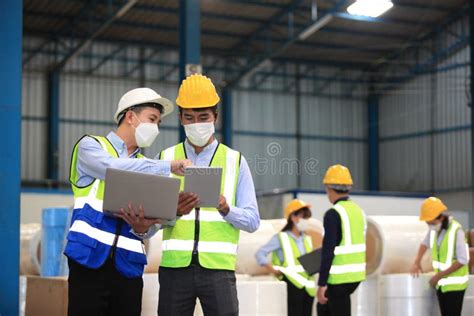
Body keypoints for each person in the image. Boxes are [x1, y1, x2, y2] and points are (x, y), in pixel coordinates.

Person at [64, 87, 197, 316]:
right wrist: (168, 165)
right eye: (152, 119)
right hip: (88, 262)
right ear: (130, 116)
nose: (155, 128)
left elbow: (152, 227)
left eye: (158, 123)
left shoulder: (148, 166)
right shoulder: (91, 147)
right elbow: (112, 168)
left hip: (128, 269)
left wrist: (147, 228)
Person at [157, 74, 260, 316]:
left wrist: (226, 208)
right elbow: (151, 225)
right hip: (174, 270)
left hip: (218, 271)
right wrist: (173, 210)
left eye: (203, 117)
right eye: (189, 117)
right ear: (180, 118)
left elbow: (253, 221)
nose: (196, 124)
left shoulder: (235, 161)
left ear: (215, 116)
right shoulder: (165, 159)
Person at [316, 164, 366, 316]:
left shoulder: (333, 214)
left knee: (323, 308)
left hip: (338, 278)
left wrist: (322, 283)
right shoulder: (358, 211)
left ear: (330, 189)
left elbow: (329, 250)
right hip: (355, 276)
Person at [255, 199, 316, 316]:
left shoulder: (307, 239)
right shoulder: (281, 238)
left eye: (306, 218)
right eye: (303, 217)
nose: (305, 221)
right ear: (293, 217)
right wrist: (272, 269)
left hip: (308, 288)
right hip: (291, 286)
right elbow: (260, 253)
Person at [410, 197, 469, 316]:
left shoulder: (456, 231)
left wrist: (439, 275)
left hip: (455, 286)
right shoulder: (434, 230)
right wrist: (417, 262)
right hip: (442, 285)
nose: (429, 225)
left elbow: (463, 259)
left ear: (441, 217)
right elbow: (424, 244)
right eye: (427, 223)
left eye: (431, 222)